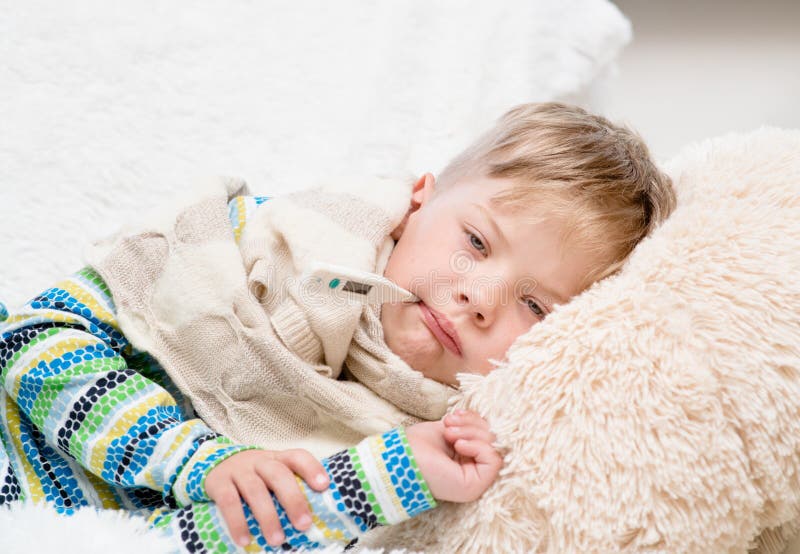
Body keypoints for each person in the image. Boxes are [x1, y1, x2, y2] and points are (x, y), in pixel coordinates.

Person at [0, 102, 676, 551]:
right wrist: (200, 459)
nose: (478, 298)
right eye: (475, 240)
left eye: (536, 307)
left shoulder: (427, 441)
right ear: (421, 199)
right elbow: (30, 337)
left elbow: (185, 542)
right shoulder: (256, 241)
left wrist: (383, 477)